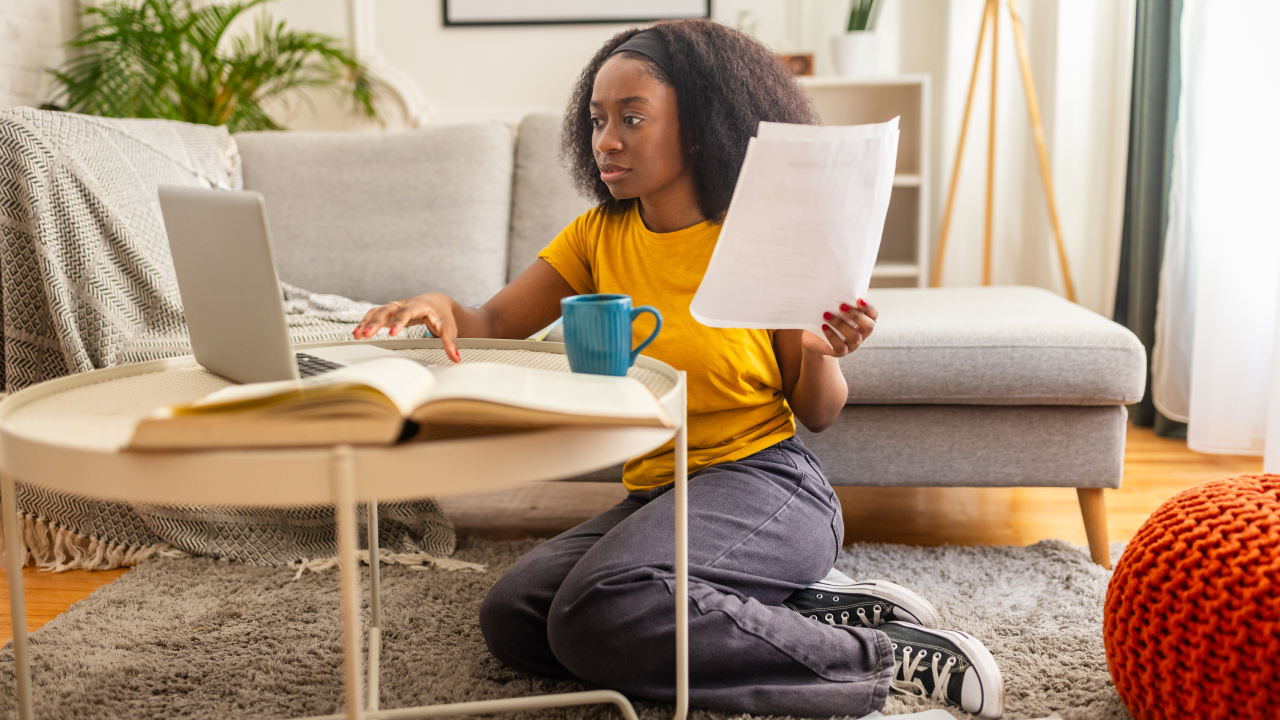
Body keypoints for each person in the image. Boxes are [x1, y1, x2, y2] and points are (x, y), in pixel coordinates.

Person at [353, 19, 1003, 719]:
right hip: (658, 496)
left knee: (598, 613)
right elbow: (492, 324)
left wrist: (818, 353)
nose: (606, 139)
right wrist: (441, 306)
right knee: (515, 617)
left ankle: (882, 660)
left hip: (767, 485)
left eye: (632, 119)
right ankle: (789, 611)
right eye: (598, 120)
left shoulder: (759, 236)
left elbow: (818, 412)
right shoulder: (595, 236)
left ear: (695, 128)